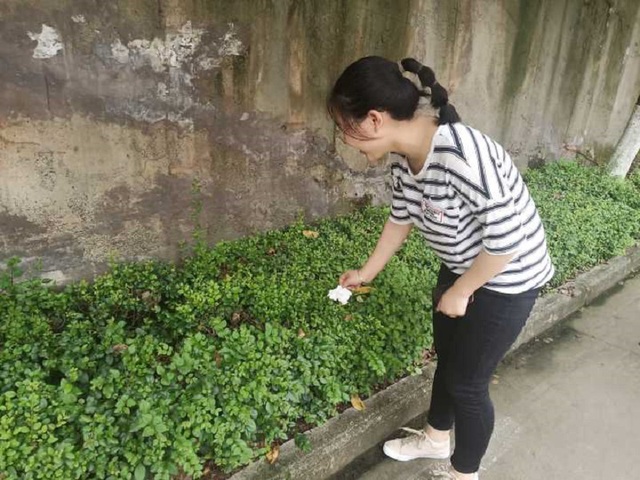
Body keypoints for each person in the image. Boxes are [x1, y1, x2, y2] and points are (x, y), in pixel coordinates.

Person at [329, 56, 554, 480]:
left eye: (345, 128)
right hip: (463, 265)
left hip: (509, 278)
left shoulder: (461, 154)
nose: (345, 140)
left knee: (468, 383)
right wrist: (366, 272)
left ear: (374, 119)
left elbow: (507, 241)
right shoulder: (403, 156)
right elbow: (401, 217)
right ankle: (435, 438)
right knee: (449, 363)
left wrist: (462, 290)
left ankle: (464, 472)